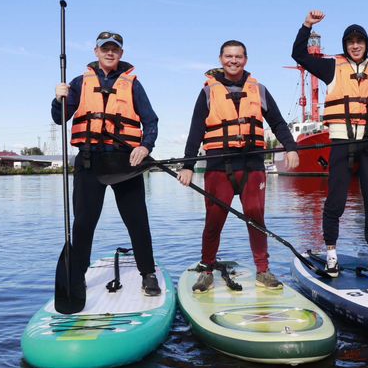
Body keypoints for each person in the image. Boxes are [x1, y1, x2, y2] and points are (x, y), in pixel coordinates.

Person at [178, 40, 299, 293]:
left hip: (252, 163)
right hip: (218, 165)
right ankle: (207, 269)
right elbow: (196, 130)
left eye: (238, 56)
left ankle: (263, 271)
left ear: (246, 59)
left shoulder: (259, 90)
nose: (233, 61)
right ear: (221, 59)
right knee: (214, 220)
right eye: (228, 56)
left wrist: (290, 147)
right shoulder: (208, 92)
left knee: (256, 216)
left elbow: (277, 122)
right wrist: (188, 164)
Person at [292, 10, 368, 277]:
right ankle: (331, 254)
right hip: (342, 143)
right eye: (351, 41)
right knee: (336, 201)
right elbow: (299, 54)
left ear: (366, 44)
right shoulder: (332, 67)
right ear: (345, 45)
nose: (355, 45)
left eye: (360, 41)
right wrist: (307, 26)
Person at [52, 31, 161, 297]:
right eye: (105, 48)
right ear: (96, 51)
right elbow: (60, 119)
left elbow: (151, 121)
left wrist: (145, 146)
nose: (109, 53)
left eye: (114, 49)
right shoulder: (79, 83)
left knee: (137, 221)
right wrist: (58, 99)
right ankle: (76, 276)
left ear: (121, 53)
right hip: (90, 163)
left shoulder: (133, 84)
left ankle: (147, 273)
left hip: (125, 163)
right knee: (83, 224)